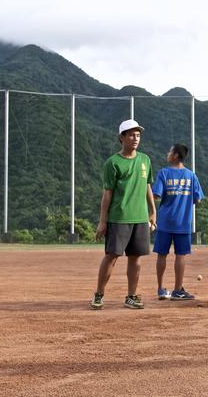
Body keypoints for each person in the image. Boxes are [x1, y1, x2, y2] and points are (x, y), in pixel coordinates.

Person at [90, 119, 156, 310]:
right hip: (119, 218)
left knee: (136, 258)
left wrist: (153, 212)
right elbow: (107, 194)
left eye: (138, 135)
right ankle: (99, 294)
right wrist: (103, 222)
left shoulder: (145, 160)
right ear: (122, 137)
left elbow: (147, 187)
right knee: (111, 256)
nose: (136, 138)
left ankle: (131, 296)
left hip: (140, 218)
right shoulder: (113, 163)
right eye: (131, 135)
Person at [151, 144, 204, 301]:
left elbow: (156, 195)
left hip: (165, 221)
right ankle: (177, 290)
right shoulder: (191, 176)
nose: (167, 154)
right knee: (180, 255)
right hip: (183, 223)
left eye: (169, 151)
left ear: (175, 155)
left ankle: (161, 289)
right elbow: (198, 199)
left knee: (162, 254)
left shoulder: (164, 173)